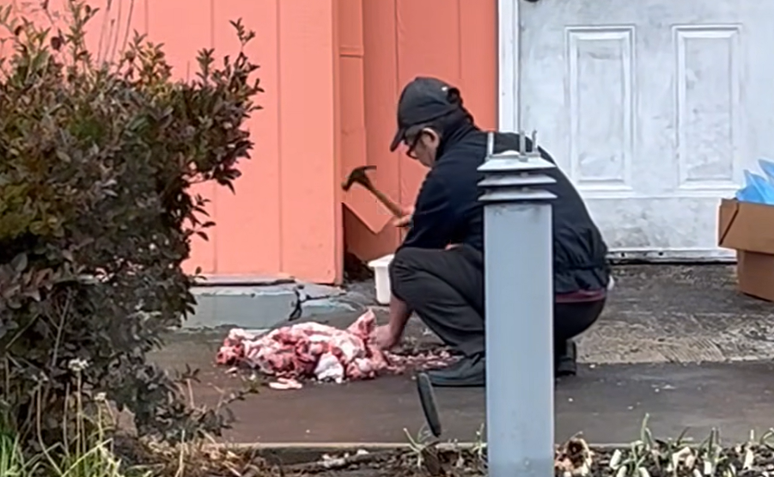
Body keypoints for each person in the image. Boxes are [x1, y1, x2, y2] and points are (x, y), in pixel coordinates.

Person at [372, 76, 611, 387]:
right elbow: (517, 219)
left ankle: (484, 356)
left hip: (546, 301)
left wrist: (392, 331)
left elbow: (412, 260)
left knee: (405, 267)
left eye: (410, 147)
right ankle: (553, 351)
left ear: (429, 136)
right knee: (498, 254)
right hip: (589, 298)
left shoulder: (445, 177)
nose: (414, 157)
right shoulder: (517, 146)